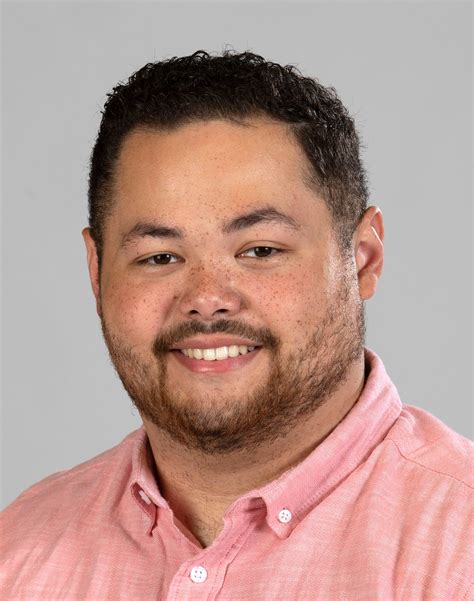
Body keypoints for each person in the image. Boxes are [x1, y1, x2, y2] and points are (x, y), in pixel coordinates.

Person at [1, 50, 472, 600]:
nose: (207, 300)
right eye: (159, 257)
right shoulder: (18, 551)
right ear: (97, 273)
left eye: (260, 250)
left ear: (363, 259)